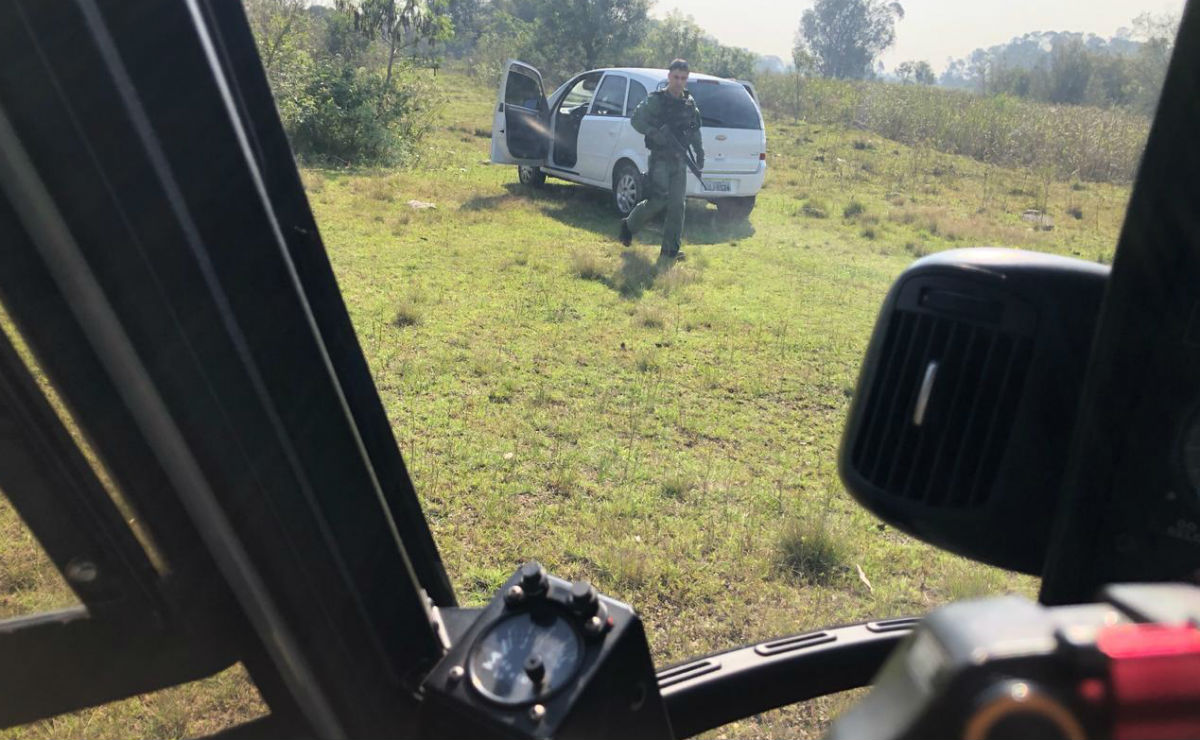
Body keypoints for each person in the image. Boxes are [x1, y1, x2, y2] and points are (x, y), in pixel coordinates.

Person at [619, 59, 704, 262]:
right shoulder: (656, 100)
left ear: (687, 79)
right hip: (660, 159)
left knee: (678, 205)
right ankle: (629, 225)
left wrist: (699, 153)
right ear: (669, 77)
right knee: (659, 200)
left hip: (679, 159)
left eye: (683, 78)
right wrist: (653, 132)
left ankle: (670, 251)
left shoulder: (689, 103)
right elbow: (636, 118)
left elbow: (695, 130)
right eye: (676, 77)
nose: (679, 82)